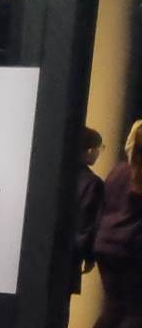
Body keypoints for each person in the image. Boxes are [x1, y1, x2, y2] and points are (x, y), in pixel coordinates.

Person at [75, 119, 142, 328]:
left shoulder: (118, 170)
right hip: (133, 248)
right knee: (138, 309)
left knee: (115, 306)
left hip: (107, 246)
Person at [71, 126, 105, 298]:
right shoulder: (93, 184)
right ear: (91, 150)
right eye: (100, 148)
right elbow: (87, 223)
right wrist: (90, 256)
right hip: (71, 256)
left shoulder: (60, 175)